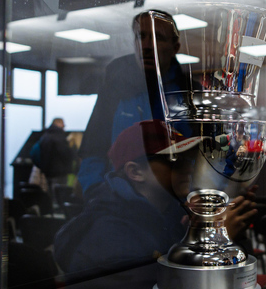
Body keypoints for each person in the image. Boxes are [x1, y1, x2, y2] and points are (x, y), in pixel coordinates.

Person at [55, 119, 256, 278]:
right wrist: (218, 244)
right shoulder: (110, 235)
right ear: (135, 172)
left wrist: (201, 233)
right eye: (175, 159)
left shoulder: (168, 216)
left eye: (189, 158)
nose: (188, 167)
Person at [76, 10, 190, 196]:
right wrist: (96, 194)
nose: (146, 45)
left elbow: (206, 158)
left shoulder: (189, 94)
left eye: (157, 38)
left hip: (174, 207)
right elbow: (92, 152)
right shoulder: (114, 90)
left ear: (174, 47)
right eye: (140, 37)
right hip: (119, 203)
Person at [36, 117, 75, 189]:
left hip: (48, 171)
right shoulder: (58, 136)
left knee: (51, 193)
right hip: (59, 171)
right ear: (58, 123)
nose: (64, 126)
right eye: (62, 123)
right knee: (60, 193)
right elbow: (64, 152)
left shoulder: (45, 136)